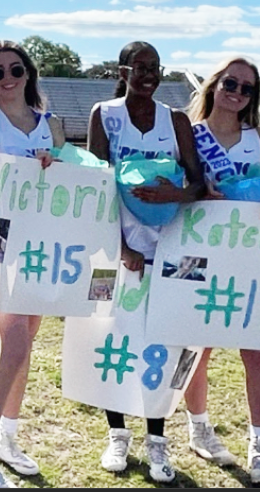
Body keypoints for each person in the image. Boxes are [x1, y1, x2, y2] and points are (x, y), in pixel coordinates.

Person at [87, 41, 205, 483]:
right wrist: (120, 247)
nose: (149, 75)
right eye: (140, 67)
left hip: (169, 249)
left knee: (162, 344)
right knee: (116, 342)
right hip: (123, 250)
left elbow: (197, 182)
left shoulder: (175, 120)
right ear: (123, 71)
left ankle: (157, 439)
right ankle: (117, 434)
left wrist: (175, 194)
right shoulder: (106, 114)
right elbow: (98, 185)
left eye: (155, 67)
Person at [184, 56, 260, 486]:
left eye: (248, 88)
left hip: (250, 256)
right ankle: (199, 429)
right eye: (231, 82)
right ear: (215, 85)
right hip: (199, 253)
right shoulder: (189, 135)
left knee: (257, 351)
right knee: (199, 346)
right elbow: (179, 185)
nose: (237, 92)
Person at [0, 40, 65, 488]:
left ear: (29, 74)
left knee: (24, 351)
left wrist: (55, 166)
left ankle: (8, 437)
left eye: (16, 70)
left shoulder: (53, 124)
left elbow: (69, 184)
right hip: (1, 244)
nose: (7, 79)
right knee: (16, 349)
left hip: (44, 245)